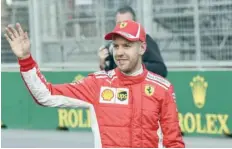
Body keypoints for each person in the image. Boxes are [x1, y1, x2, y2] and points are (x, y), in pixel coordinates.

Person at [5, 21, 184, 148]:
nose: (119, 52)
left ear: (142, 48)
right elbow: (45, 95)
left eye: (127, 46)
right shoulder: (97, 84)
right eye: (116, 46)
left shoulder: (162, 89)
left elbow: (174, 143)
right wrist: (25, 59)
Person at [99, 6, 168, 77]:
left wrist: (135, 66)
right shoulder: (114, 44)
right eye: (119, 23)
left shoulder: (144, 40)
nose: (123, 26)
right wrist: (103, 65)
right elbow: (111, 77)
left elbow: (161, 70)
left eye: (127, 23)